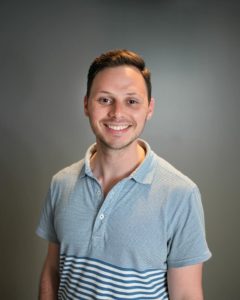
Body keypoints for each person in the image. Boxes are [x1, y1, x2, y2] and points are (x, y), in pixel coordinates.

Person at [36, 49, 211, 300]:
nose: (117, 113)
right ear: (86, 104)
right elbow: (53, 272)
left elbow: (186, 294)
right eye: (105, 100)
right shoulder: (61, 184)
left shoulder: (181, 194)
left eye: (131, 101)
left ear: (149, 108)